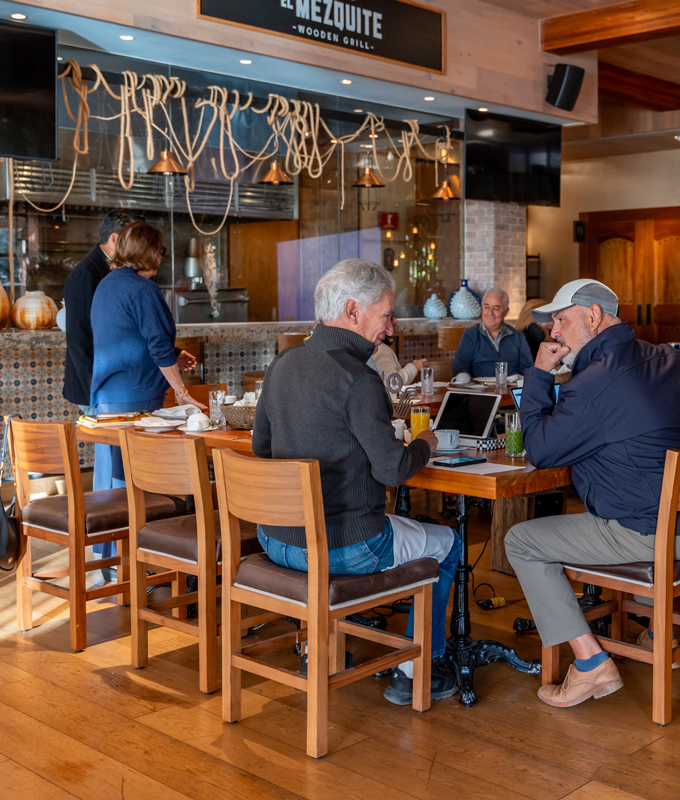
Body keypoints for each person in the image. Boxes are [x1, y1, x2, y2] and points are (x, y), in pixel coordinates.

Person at [503, 279, 680, 709]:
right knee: (637, 498)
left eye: (561, 321)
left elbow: (541, 451)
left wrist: (540, 374)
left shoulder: (592, 384)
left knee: (522, 541)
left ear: (593, 316)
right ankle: (658, 633)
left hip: (658, 536)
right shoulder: (673, 359)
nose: (553, 332)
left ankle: (591, 665)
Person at [252, 258, 461, 704]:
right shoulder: (359, 379)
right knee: (448, 543)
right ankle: (415, 671)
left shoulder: (282, 364)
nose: (392, 327)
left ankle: (320, 649)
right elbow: (392, 470)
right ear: (352, 311)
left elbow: (261, 449)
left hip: (275, 539)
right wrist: (425, 443)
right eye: (386, 315)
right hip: (347, 547)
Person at [90, 222, 204, 573]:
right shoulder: (143, 288)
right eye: (160, 251)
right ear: (150, 252)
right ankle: (142, 563)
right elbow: (155, 343)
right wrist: (182, 393)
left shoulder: (107, 285)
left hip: (107, 397)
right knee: (140, 483)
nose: (161, 257)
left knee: (112, 482)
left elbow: (130, 337)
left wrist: (173, 355)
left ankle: (113, 559)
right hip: (136, 397)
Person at [62, 209, 144, 414]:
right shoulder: (86, 273)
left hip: (116, 385)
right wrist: (97, 391)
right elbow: (79, 339)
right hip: (97, 388)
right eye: (133, 239)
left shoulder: (119, 269)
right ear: (115, 239)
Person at [451, 288, 534, 379]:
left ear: (506, 312)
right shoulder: (470, 335)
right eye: (486, 307)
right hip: (480, 387)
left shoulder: (518, 336)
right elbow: (459, 369)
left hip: (510, 387)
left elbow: (528, 370)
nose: (490, 313)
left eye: (496, 308)